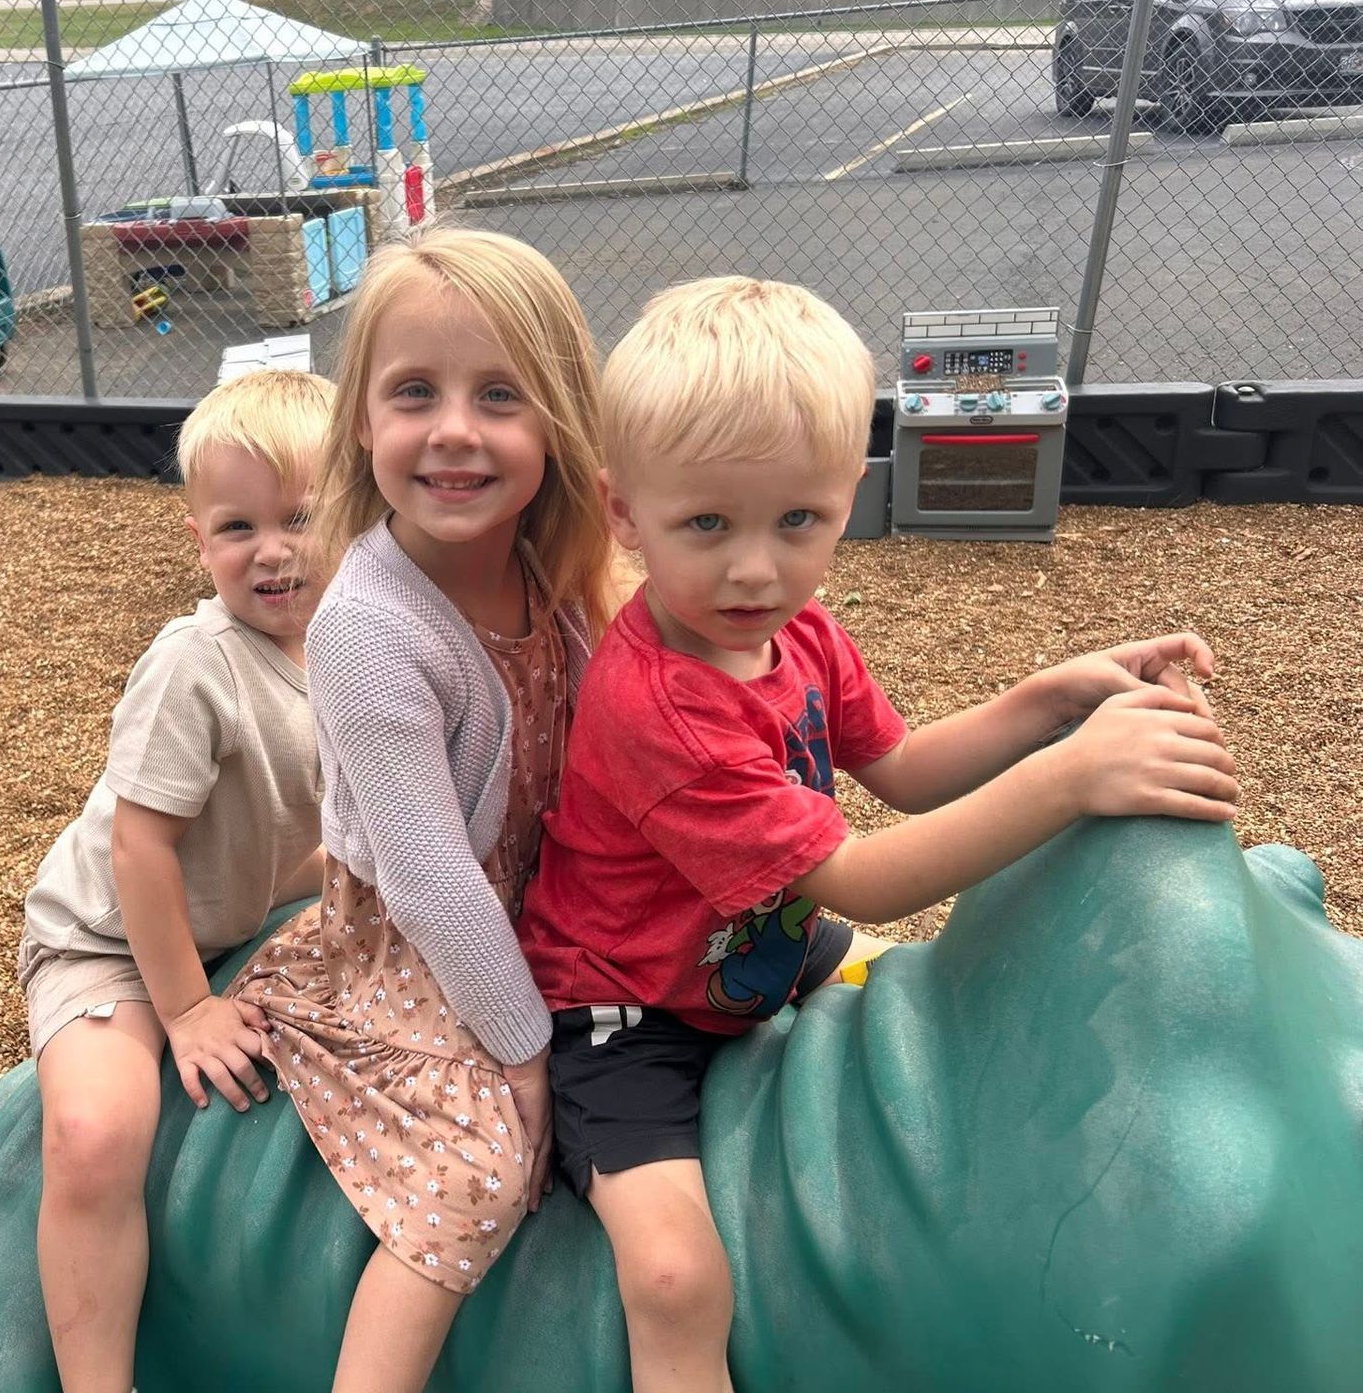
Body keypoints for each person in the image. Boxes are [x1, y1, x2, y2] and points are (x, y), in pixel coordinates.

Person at [517, 276, 1241, 1392]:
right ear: (623, 513)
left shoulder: (798, 631)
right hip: (626, 1010)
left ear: (849, 493)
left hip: (756, 957)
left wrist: (1051, 699)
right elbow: (861, 876)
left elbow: (900, 772)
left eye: (795, 521)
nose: (754, 569)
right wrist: (1069, 780)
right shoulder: (659, 707)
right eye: (705, 524)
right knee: (676, 1281)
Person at [227, 228, 615, 1393]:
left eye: (500, 395)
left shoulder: (550, 568)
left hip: (542, 899)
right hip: (415, 946)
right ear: (362, 423)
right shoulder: (369, 625)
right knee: (477, 1175)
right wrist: (528, 1052)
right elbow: (434, 883)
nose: (453, 429)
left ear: (557, 421)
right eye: (415, 393)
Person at [16, 368, 334, 1393]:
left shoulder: (351, 645)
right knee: (95, 1133)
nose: (272, 550)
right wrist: (187, 1009)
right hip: (110, 939)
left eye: (301, 518)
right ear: (199, 539)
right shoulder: (195, 663)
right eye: (239, 527)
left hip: (246, 911)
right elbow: (140, 849)